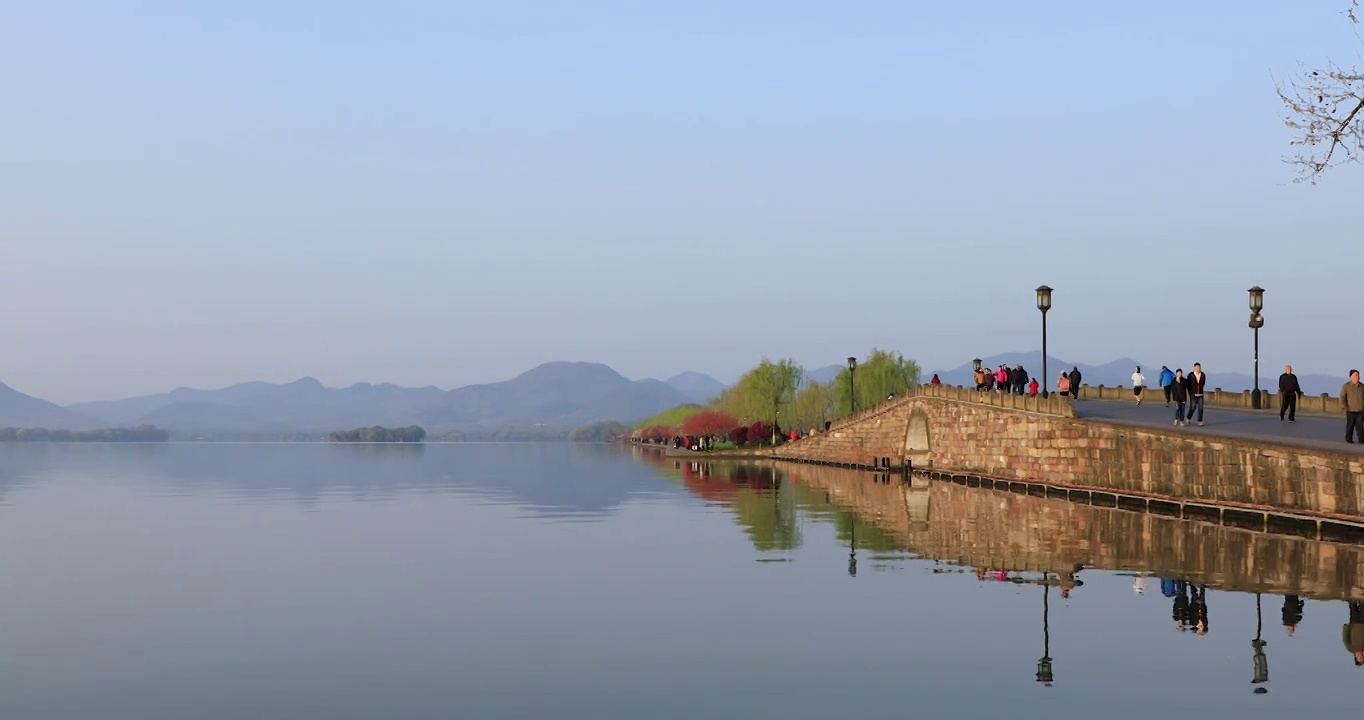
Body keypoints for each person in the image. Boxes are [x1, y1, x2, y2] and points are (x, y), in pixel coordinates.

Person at [1343, 369, 1364, 444]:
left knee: (1360, 426)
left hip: (1360, 410)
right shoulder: (1346, 386)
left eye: (1358, 375)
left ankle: (1362, 440)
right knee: (1350, 425)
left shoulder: (1362, 386)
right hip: (1350, 409)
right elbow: (1342, 397)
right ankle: (1348, 438)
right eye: (1356, 375)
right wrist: (1344, 406)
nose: (1358, 377)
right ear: (1351, 376)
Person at [1344, 602, 1364, 666]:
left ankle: (1351, 596)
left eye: (1360, 658)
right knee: (1362, 607)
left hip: (1354, 624)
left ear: (1356, 658)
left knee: (1353, 607)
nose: (1362, 657)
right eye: (1363, 658)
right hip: (1363, 624)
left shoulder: (1350, 648)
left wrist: (1346, 627)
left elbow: (1345, 638)